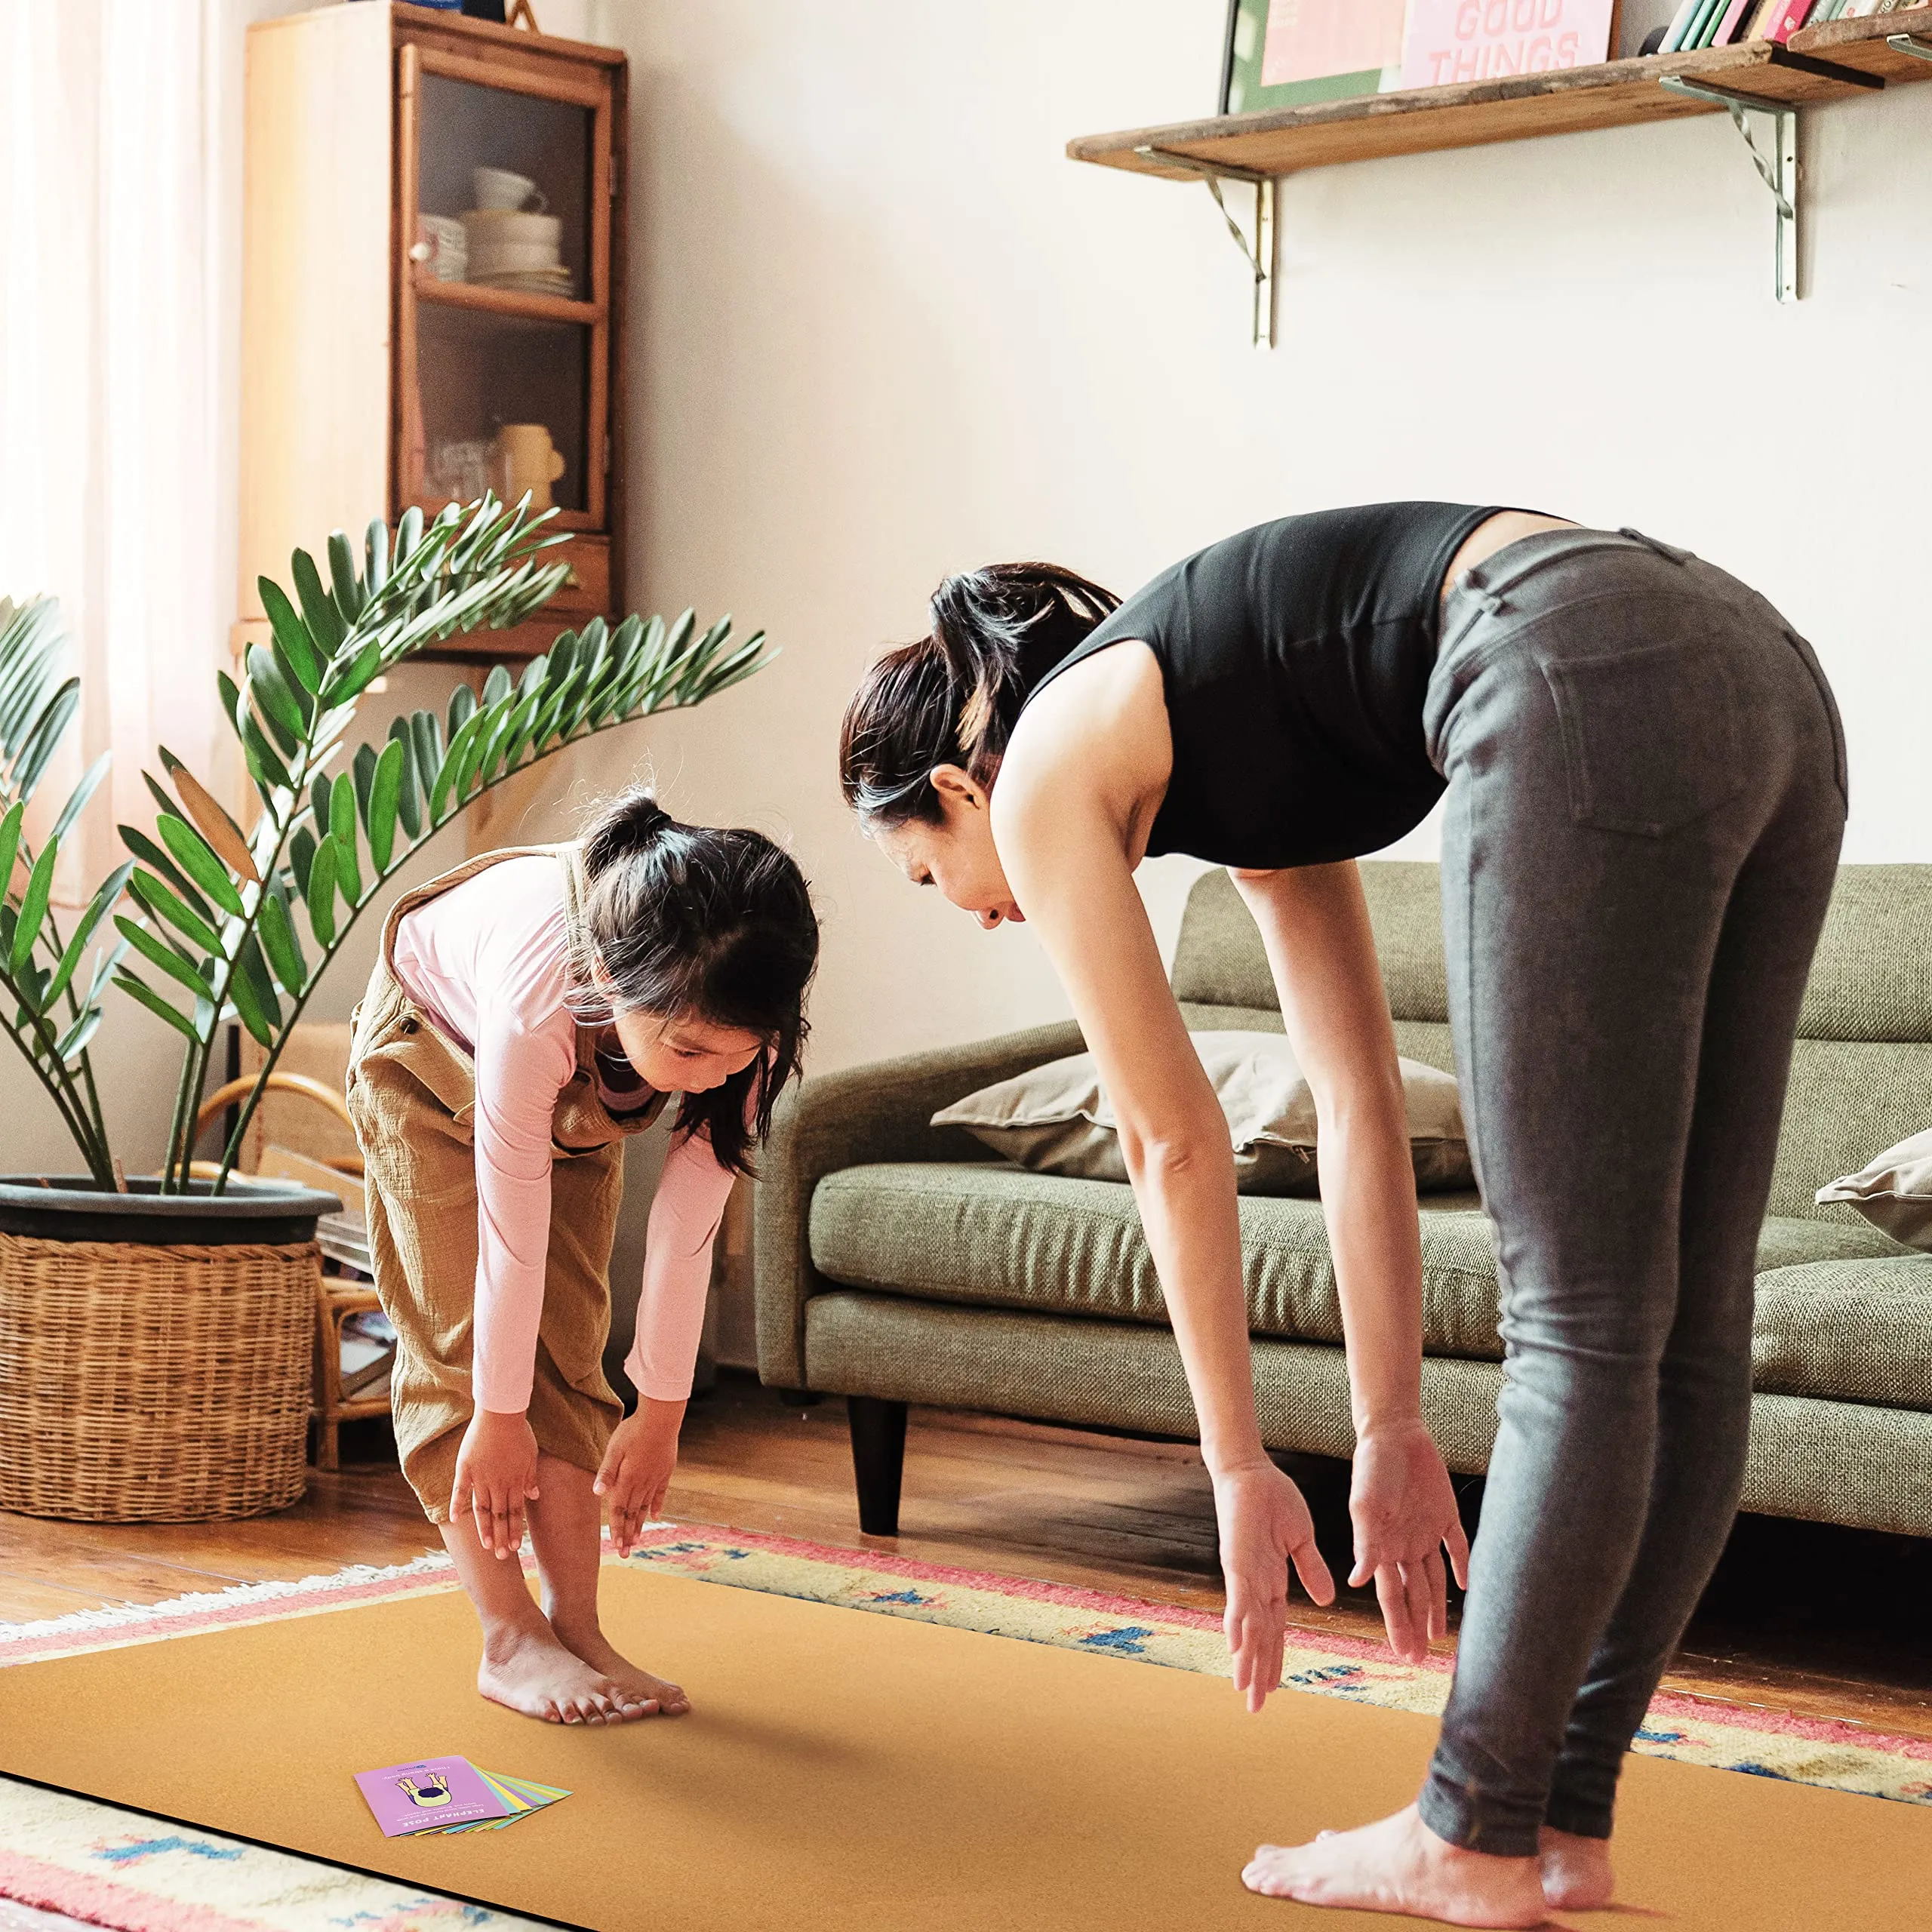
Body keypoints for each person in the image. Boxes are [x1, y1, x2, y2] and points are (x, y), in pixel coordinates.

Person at [838, 506, 1844, 1927]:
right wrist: (1389, 1431)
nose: (980, 909)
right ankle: (1561, 1822)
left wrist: (1239, 1467)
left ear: (957, 786)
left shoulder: (1049, 762)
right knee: (1686, 1324)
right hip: (1764, 678)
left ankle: (1471, 1827)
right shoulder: (1243, 743)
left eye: (932, 875)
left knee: (1579, 1316)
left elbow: (1169, 1138)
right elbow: (1355, 1102)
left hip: (1571, 657)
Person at [346, 790, 818, 1727]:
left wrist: (661, 1412)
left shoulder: (740, 1027)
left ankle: (578, 1626)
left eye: (737, 1055)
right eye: (689, 1049)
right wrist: (497, 1413)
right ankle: (509, 1636)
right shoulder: (538, 998)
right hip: (428, 1059)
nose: (715, 1075)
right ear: (609, 974)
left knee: (570, 1340)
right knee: (467, 1340)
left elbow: (688, 1226)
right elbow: (509, 1236)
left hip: (578, 1076)